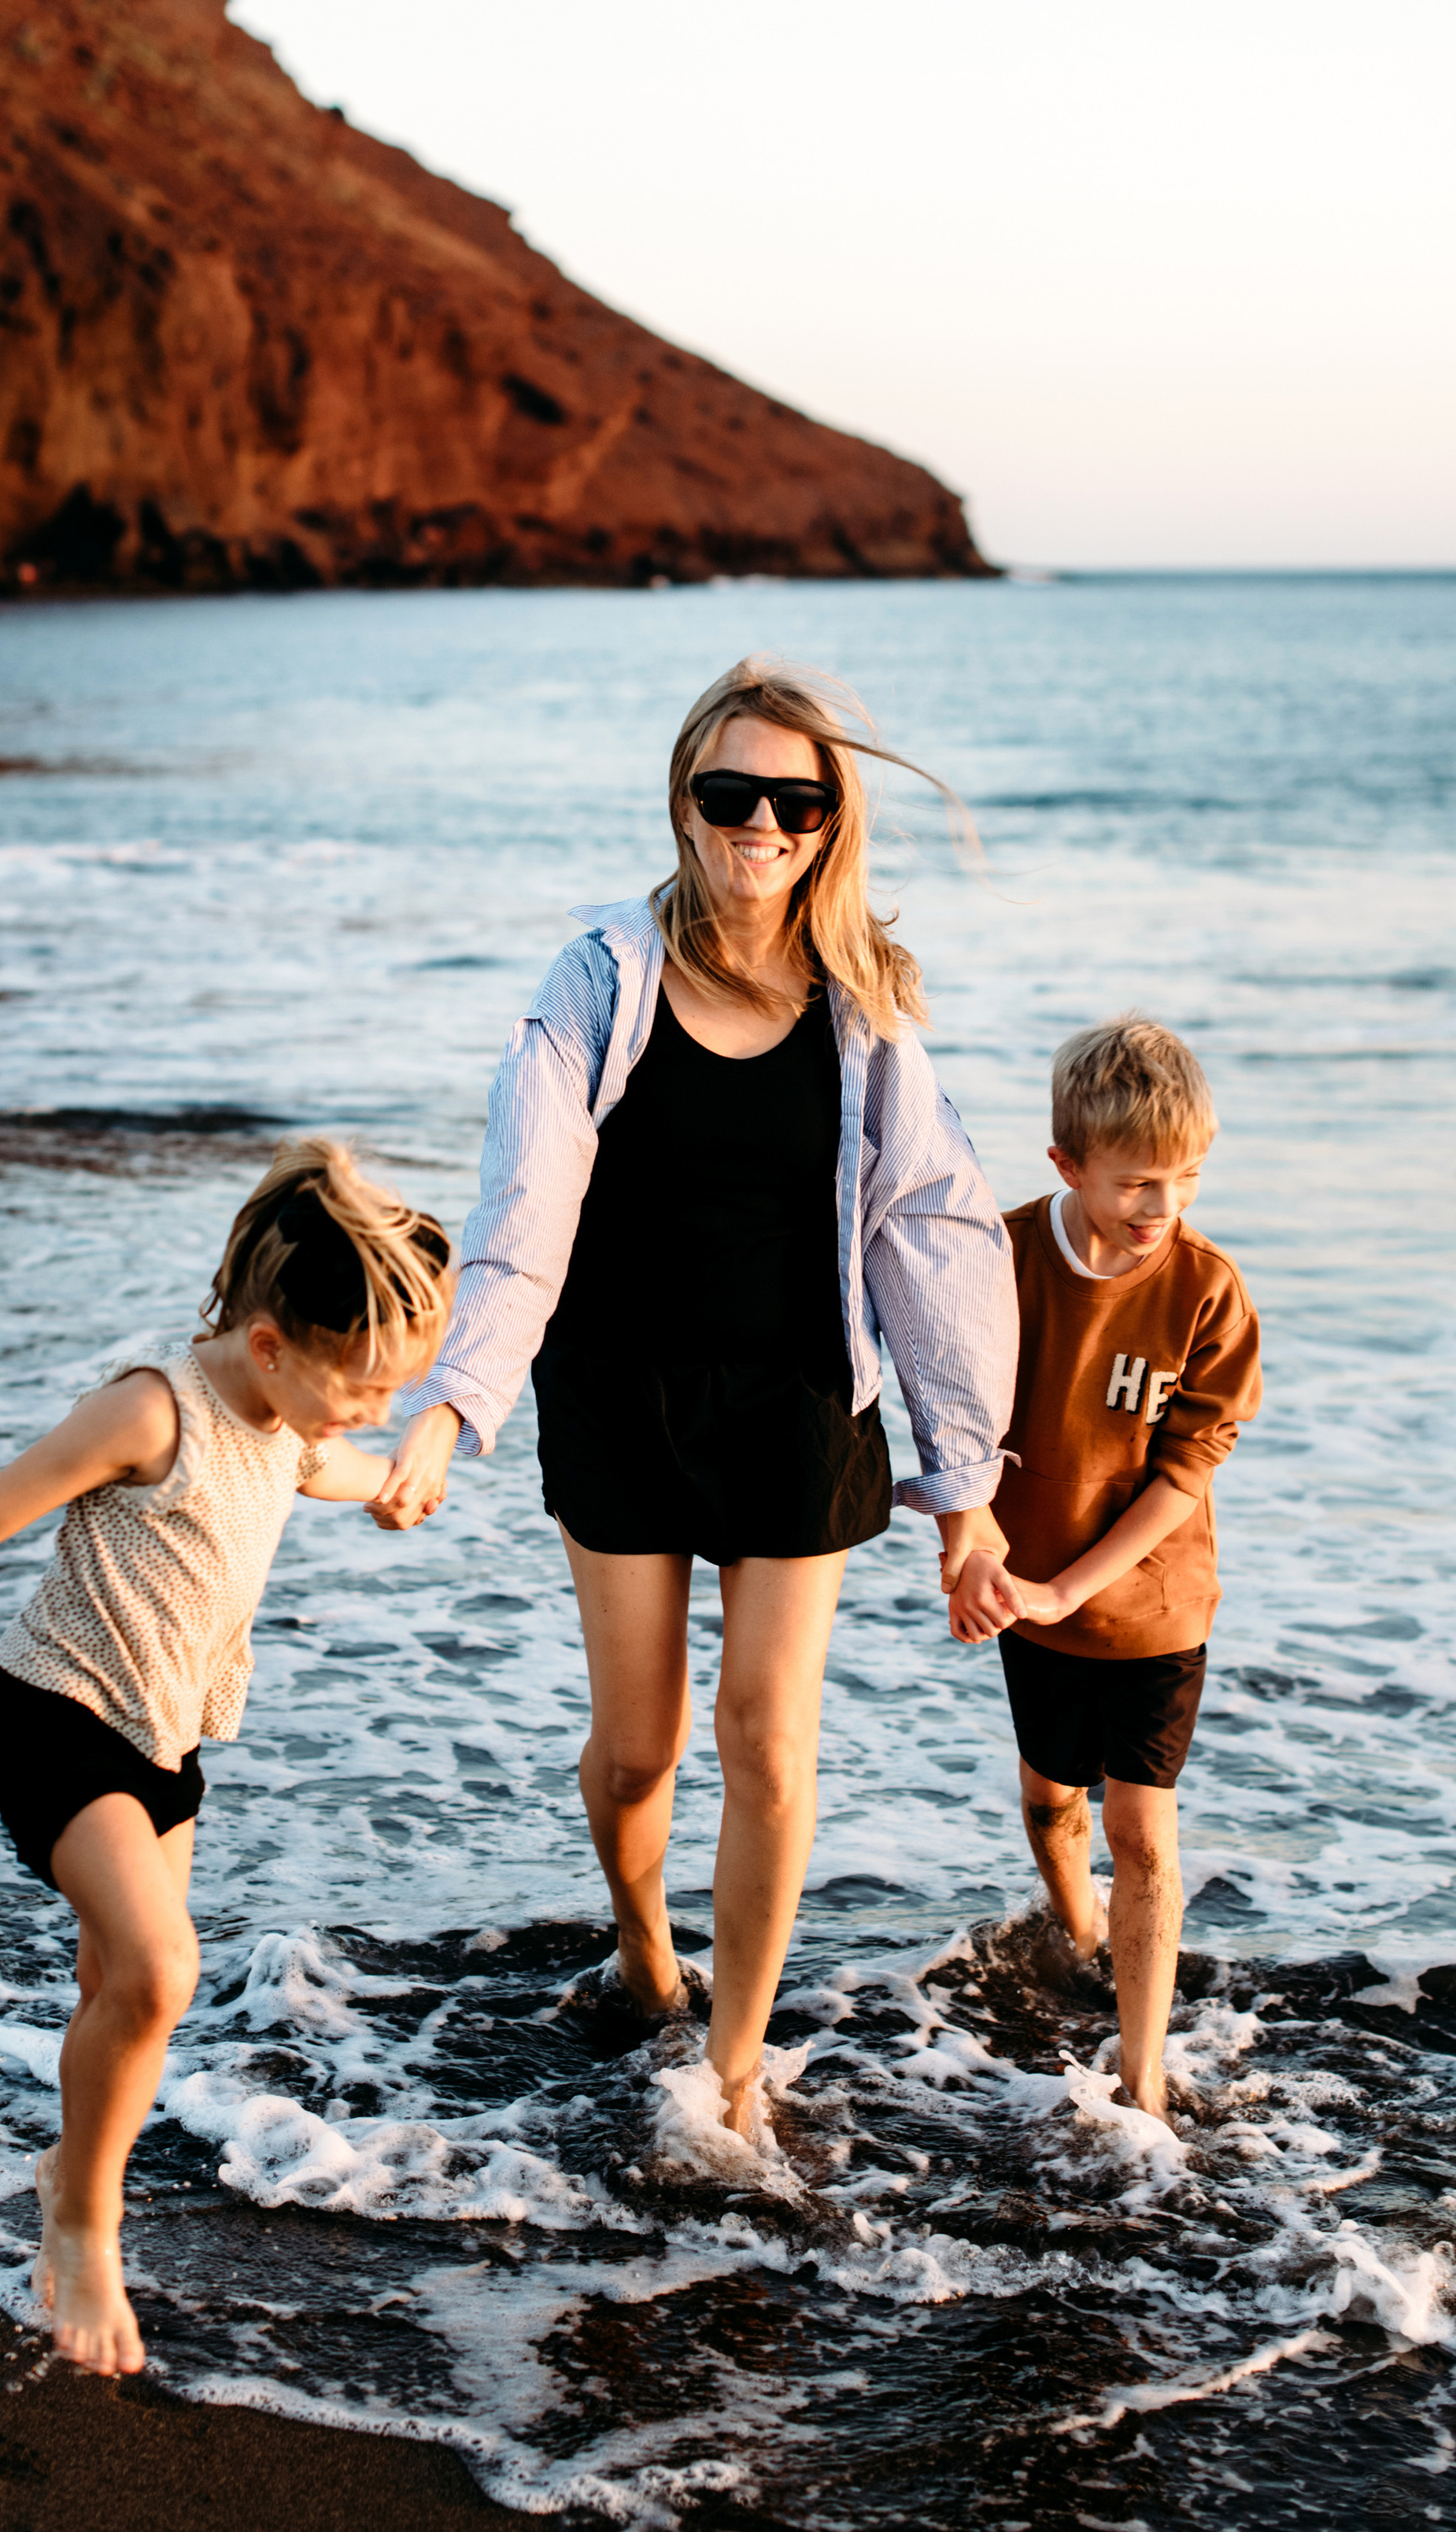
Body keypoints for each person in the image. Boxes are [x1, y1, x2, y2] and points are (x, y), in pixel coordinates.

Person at [374, 656, 1018, 2139]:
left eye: (796, 800)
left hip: (800, 1400)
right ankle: (642, 1939)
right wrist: (452, 1402)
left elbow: (932, 1228)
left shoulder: (865, 1008)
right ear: (684, 802)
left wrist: (963, 1486)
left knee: (767, 1737)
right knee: (643, 1745)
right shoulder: (601, 981)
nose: (763, 824)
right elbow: (524, 1207)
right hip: (617, 1391)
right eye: (733, 794)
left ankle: (733, 2073)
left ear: (830, 820)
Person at [0, 1140, 452, 2375]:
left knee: (119, 1984)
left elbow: (326, 1462)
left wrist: (389, 1482)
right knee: (162, 1973)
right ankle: (85, 2225)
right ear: (270, 1345)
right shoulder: (154, 1410)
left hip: (165, 1737)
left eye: (390, 1392)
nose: (371, 1410)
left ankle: (69, 2164)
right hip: (53, 1713)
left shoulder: (289, 1414)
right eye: (361, 1388)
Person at [948, 1016, 1262, 2124]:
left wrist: (1071, 1587)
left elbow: (1187, 1473)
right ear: (1067, 1166)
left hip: (1155, 1611)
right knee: (1049, 1805)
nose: (1160, 1209)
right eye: (1135, 1184)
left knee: (1141, 1833)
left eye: (1183, 1181)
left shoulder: (1209, 1293)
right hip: (1027, 1601)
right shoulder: (1001, 1258)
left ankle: (1141, 2080)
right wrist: (974, 1543)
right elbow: (956, 1421)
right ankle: (1075, 1934)